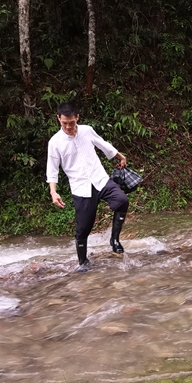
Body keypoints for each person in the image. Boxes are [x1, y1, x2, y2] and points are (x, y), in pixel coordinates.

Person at [46, 101, 129, 272]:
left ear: (77, 117)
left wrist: (121, 156)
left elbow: (103, 144)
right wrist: (53, 192)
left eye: (71, 123)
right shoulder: (55, 142)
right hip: (81, 187)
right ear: (58, 119)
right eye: (64, 123)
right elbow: (52, 169)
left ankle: (114, 240)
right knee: (83, 228)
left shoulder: (87, 130)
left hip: (100, 179)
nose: (68, 127)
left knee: (122, 200)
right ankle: (83, 262)